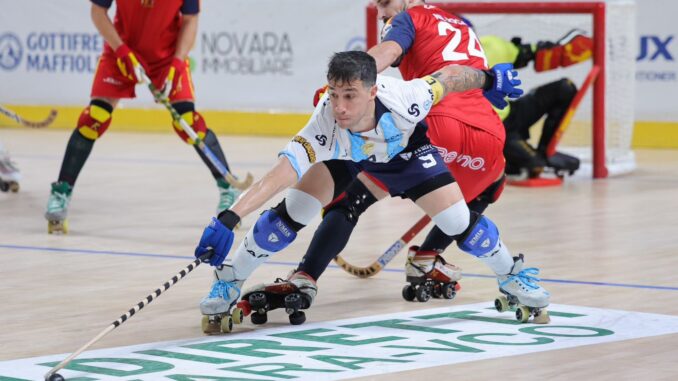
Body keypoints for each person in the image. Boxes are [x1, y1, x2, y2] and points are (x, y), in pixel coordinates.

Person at [246, 0, 552, 325]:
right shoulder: (460, 24)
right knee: (486, 189)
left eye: (385, 3)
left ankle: (306, 275)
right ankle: (437, 258)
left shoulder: (409, 17)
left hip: (435, 126)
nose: (381, 12)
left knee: (350, 198)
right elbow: (464, 73)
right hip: (489, 138)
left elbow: (385, 54)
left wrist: (343, 82)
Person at [193, 49, 525, 333]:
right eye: (334, 94)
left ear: (372, 91)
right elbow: (277, 176)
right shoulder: (325, 123)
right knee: (296, 208)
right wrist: (229, 217)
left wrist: (489, 79)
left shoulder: (406, 98)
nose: (339, 106)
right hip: (349, 155)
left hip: (406, 156)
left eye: (350, 95)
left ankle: (511, 276)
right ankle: (231, 277)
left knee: (456, 220)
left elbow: (451, 77)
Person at [44, 0, 239, 234]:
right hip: (121, 51)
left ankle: (229, 188)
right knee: (93, 119)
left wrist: (177, 62)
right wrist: (121, 50)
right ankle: (61, 192)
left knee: (189, 123)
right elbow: (98, 12)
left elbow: (190, 20)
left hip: (167, 57)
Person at [481, 30, 591, 178]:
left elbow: (528, 53)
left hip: (510, 113)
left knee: (564, 88)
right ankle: (511, 162)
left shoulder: (490, 45)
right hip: (490, 131)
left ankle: (546, 152)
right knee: (537, 166)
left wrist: (552, 48)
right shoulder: (487, 44)